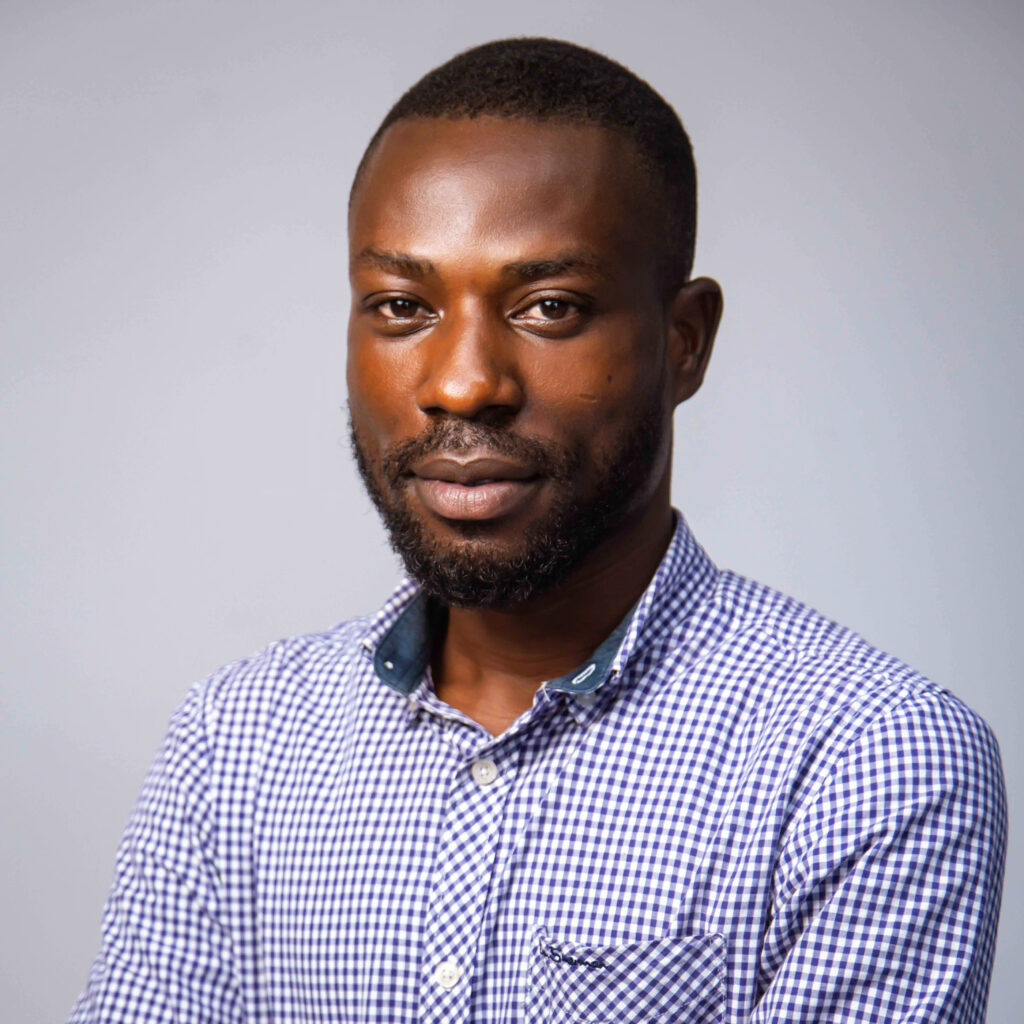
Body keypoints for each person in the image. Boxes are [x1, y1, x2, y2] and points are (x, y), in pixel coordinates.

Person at [70, 37, 1006, 1023]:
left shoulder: (867, 761)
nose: (462, 383)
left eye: (549, 307)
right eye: (401, 306)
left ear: (684, 341)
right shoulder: (236, 742)